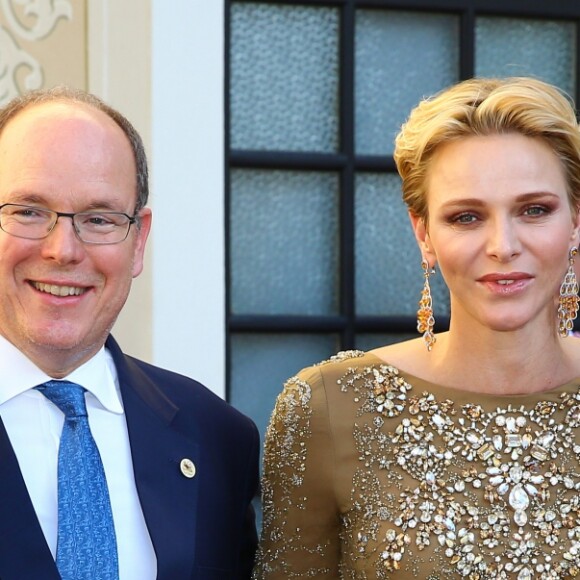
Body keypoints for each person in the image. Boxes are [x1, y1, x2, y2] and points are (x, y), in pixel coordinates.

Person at [252, 76, 580, 579]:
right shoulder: (329, 407)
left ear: (575, 219)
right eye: (467, 217)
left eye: (534, 210)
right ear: (423, 233)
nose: (503, 245)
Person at [0, 87, 259, 579]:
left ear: (138, 240)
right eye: (30, 211)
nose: (63, 250)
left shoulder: (218, 438)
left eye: (99, 218)